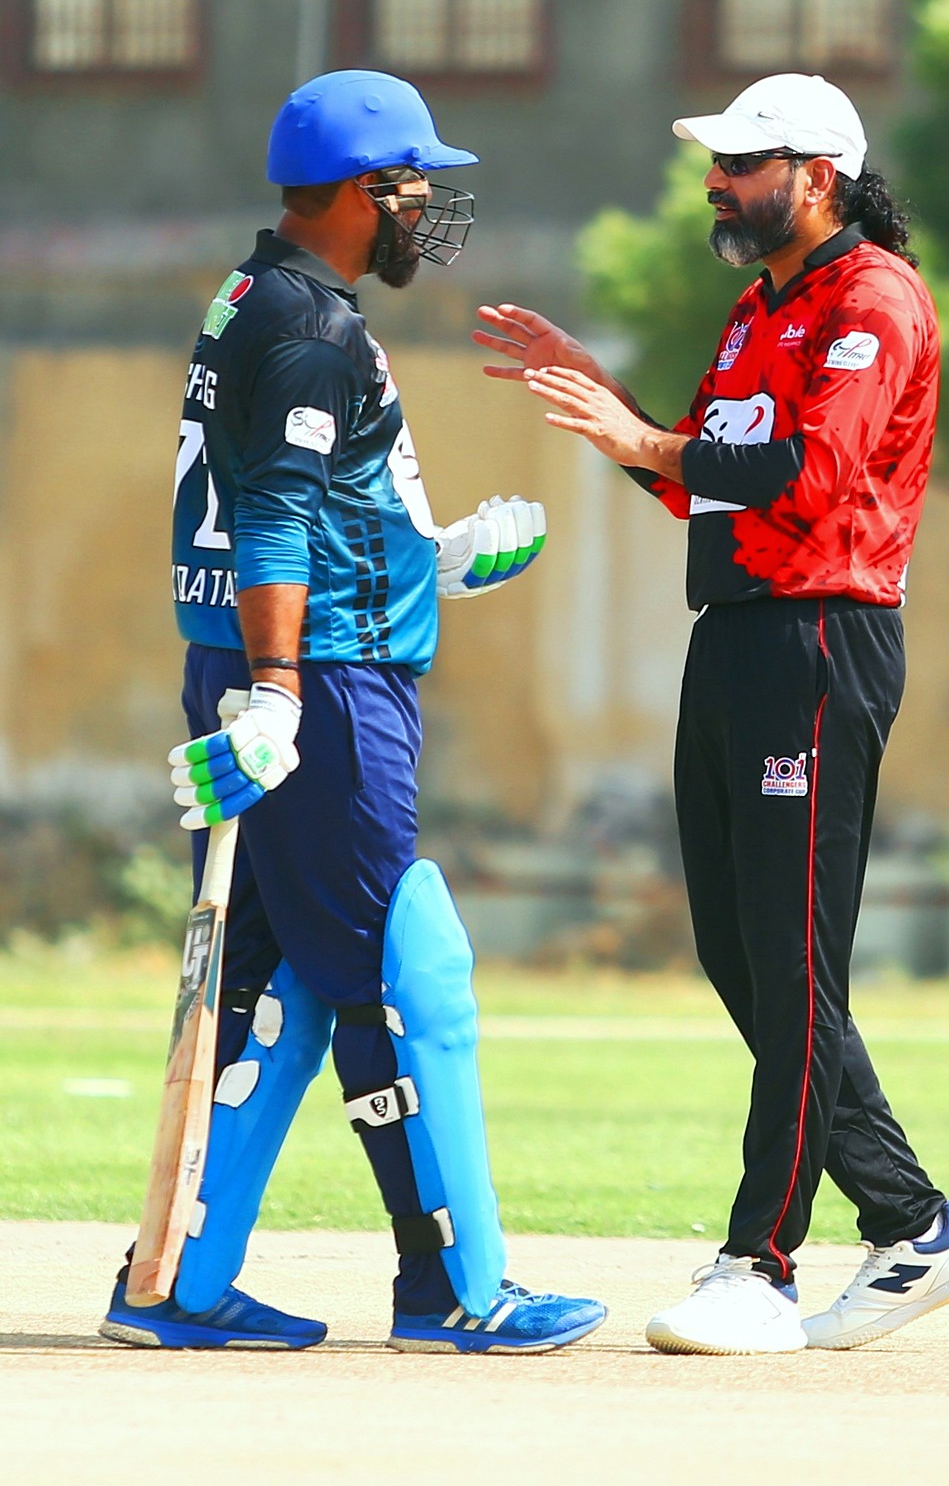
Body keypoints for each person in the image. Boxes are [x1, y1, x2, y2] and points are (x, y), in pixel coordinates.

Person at [473, 73, 949, 1356]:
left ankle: (756, 1263)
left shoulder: (872, 298)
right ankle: (913, 1222)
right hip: (736, 639)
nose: (714, 182)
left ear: (814, 177)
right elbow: (702, 487)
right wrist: (615, 413)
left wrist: (644, 441)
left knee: (793, 957)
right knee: (741, 952)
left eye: (740, 164)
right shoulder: (758, 307)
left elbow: (810, 476)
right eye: (716, 163)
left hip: (818, 641)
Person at [100, 69, 606, 1354]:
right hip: (317, 682)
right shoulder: (314, 329)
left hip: (269, 658)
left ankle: (176, 1278)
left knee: (271, 981)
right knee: (402, 965)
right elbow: (273, 516)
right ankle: (458, 1288)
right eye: (413, 185)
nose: (427, 210)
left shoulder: (254, 293)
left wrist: (428, 559)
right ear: (357, 192)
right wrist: (277, 691)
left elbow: (290, 497)